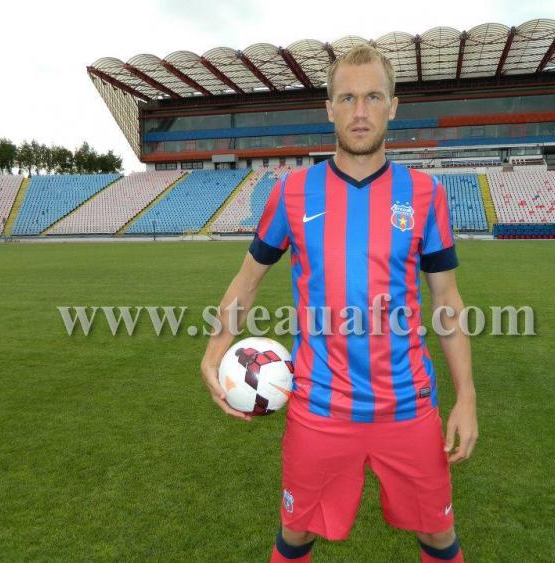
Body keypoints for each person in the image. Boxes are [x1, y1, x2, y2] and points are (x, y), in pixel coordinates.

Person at [201, 44, 478, 563]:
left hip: (408, 408)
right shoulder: (292, 193)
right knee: (295, 535)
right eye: (347, 98)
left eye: (373, 97)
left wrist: (466, 398)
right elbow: (247, 280)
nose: (360, 111)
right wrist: (214, 355)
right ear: (329, 108)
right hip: (319, 410)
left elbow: (447, 300)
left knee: (439, 537)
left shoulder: (425, 194)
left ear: (393, 106)